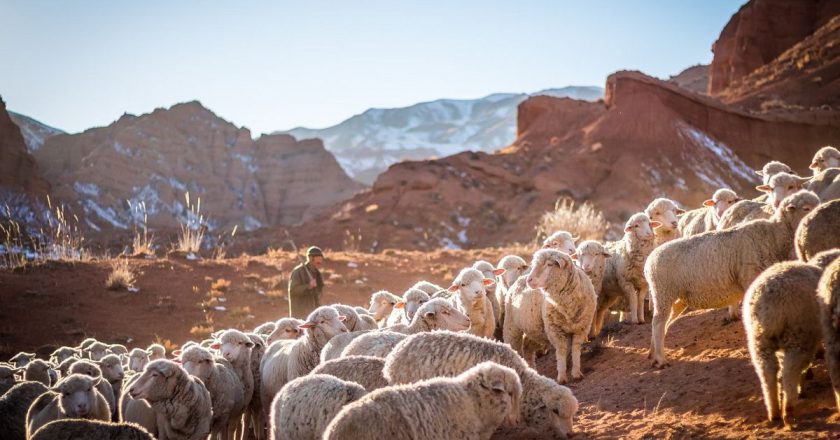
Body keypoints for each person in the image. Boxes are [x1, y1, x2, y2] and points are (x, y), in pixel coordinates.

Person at [287, 246, 325, 318]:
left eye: (321, 257)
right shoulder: (298, 272)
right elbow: (293, 291)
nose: (320, 260)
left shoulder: (317, 273)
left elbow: (319, 292)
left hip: (313, 314)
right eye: (318, 257)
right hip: (300, 314)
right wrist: (308, 286)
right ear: (311, 258)